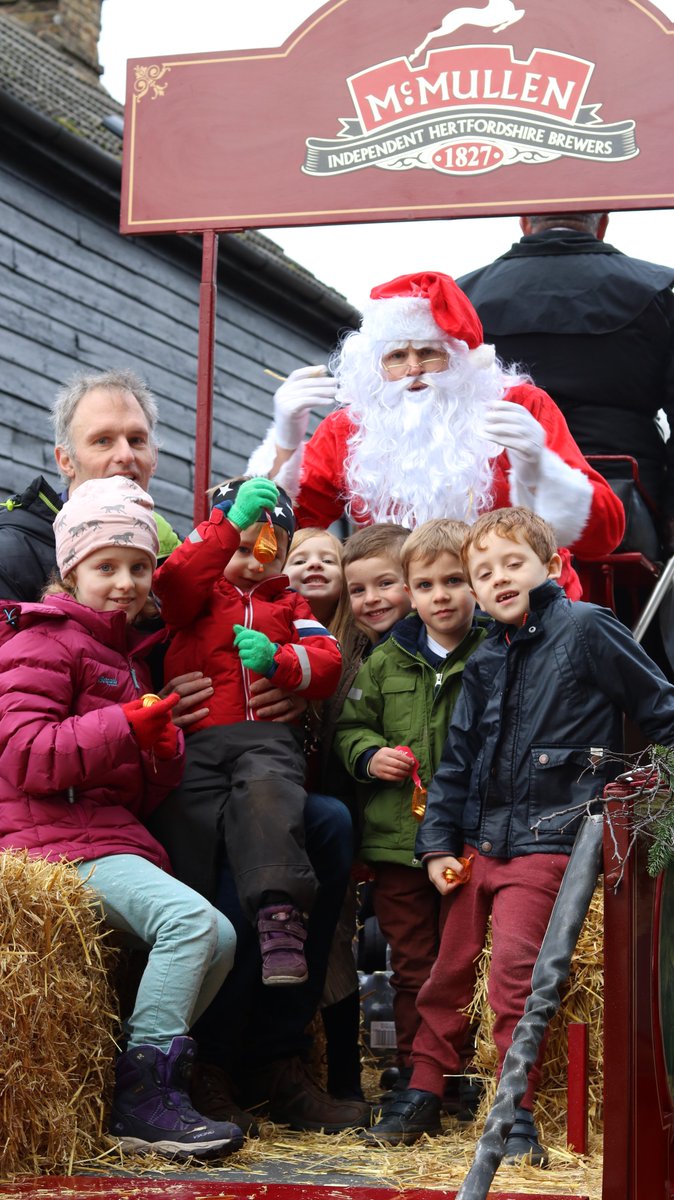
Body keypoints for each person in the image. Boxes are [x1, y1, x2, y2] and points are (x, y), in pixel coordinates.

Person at [363, 507, 674, 1162]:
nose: (498, 579)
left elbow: (660, 709)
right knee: (446, 974)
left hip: (547, 839)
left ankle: (515, 1115)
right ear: (475, 591)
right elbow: (456, 763)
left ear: (552, 567)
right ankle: (423, 1090)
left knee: (512, 979)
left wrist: (656, 798)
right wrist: (439, 847)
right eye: (484, 572)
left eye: (513, 563)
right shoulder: (486, 659)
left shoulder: (587, 629)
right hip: (480, 843)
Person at [0, 474, 242, 1161]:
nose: (126, 582)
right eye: (105, 566)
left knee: (219, 939)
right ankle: (144, 1098)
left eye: (139, 567)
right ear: (70, 570)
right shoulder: (42, 642)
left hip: (99, 836)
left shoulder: (123, 658)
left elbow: (128, 792)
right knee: (191, 922)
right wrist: (121, 728)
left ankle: (128, 1078)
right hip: (47, 846)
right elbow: (23, 756)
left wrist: (161, 754)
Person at [247, 270, 625, 599]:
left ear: (459, 360)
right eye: (396, 357)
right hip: (399, 619)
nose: (413, 368)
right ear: (376, 367)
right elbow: (268, 540)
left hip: (517, 613)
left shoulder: (519, 404)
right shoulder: (350, 427)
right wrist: (284, 444)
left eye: (428, 352)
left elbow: (603, 535)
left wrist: (542, 466)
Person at [151, 476, 343, 987]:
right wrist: (227, 524)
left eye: (269, 549)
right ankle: (186, 924)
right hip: (199, 738)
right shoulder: (199, 598)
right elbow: (173, 584)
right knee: (184, 813)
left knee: (271, 802)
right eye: (242, 546)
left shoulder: (290, 606)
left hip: (266, 740)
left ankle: (280, 917)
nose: (256, 561)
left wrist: (279, 661)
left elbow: (328, 662)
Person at [334, 519, 488, 1092]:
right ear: (414, 590)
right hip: (399, 841)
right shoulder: (384, 662)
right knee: (413, 962)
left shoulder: (491, 651)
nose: (440, 595)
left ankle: (460, 1069)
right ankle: (412, 1070)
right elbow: (350, 727)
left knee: (461, 960)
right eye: (426, 585)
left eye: (454, 581)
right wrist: (370, 755)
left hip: (467, 841)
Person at [457, 212, 674, 552]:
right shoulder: (657, 289)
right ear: (601, 224)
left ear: (525, 222)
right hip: (627, 496)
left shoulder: (463, 297)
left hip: (497, 494)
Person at [0, 368, 181, 603]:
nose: (126, 455)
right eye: (103, 440)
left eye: (136, 440)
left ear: (153, 458)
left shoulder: (179, 555)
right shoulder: (11, 556)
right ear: (66, 461)